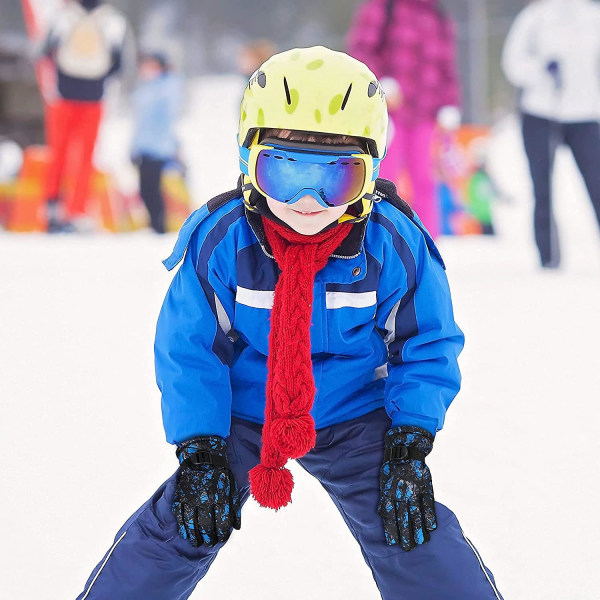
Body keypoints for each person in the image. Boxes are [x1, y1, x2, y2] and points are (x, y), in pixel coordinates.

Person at [76, 46, 503, 600]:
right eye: (284, 171)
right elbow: (191, 349)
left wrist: (409, 439)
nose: (306, 201)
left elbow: (427, 343)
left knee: (410, 527)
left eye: (336, 178)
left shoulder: (391, 243)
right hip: (245, 410)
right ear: (248, 163)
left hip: (353, 410)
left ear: (372, 172)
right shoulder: (224, 239)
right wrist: (201, 446)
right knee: (183, 521)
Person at [346, 0, 461, 239]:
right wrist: (380, 81)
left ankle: (425, 248)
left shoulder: (439, 17)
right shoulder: (383, 8)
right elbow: (361, 51)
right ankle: (375, 240)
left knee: (426, 183)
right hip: (388, 113)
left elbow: (446, 67)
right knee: (382, 181)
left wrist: (450, 103)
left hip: (426, 114)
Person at [502, 0, 600, 268]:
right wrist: (540, 69)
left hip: (584, 114)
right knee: (542, 186)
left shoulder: (593, 17)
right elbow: (512, 62)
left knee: (596, 183)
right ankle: (549, 257)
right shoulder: (535, 17)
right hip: (541, 112)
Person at [41, 0, 126, 232]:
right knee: (86, 155)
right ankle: (76, 211)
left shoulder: (62, 16)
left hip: (63, 95)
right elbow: (118, 65)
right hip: (94, 96)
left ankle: (51, 207)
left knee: (58, 152)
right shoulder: (114, 21)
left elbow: (45, 52)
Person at [130, 52, 183, 234]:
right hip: (145, 147)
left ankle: (159, 226)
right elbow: (140, 123)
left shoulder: (166, 87)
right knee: (146, 189)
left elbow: (165, 120)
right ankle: (154, 225)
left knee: (152, 189)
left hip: (158, 148)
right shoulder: (147, 88)